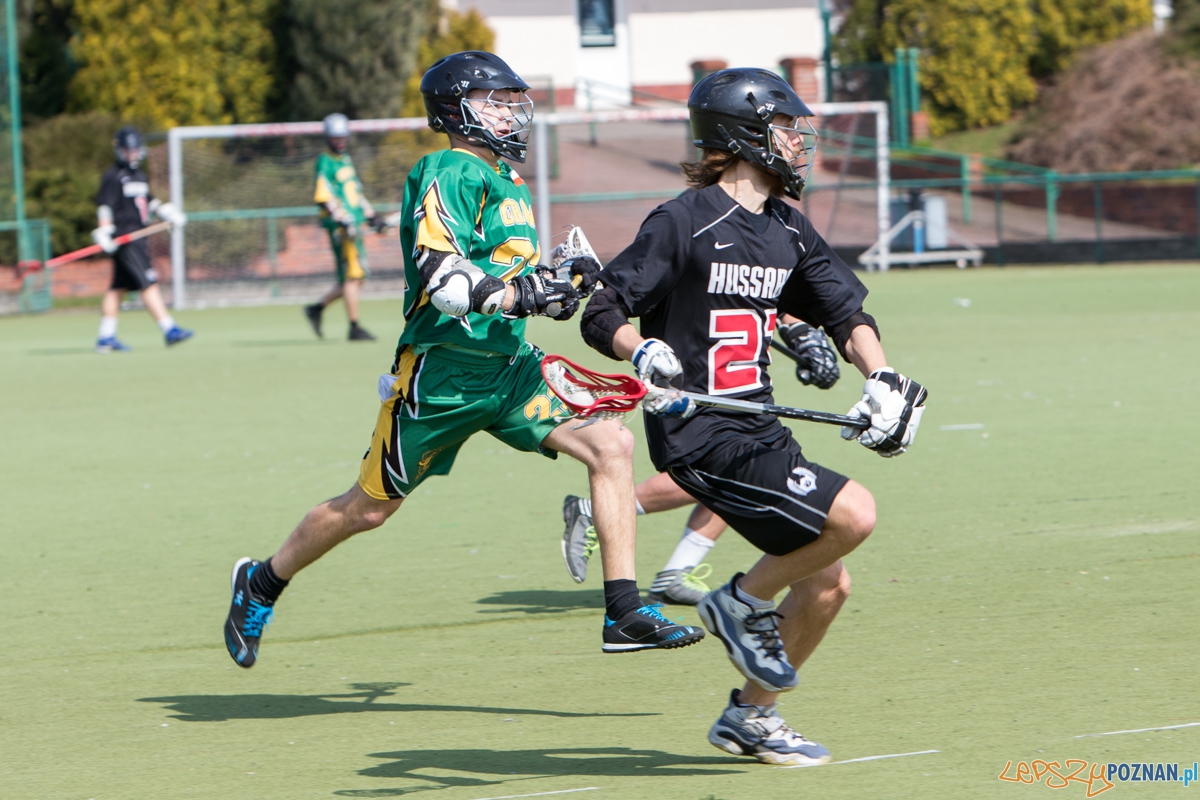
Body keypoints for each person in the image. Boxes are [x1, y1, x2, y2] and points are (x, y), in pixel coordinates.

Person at [224, 51, 703, 670]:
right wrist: (524, 293)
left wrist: (559, 282)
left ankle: (623, 612)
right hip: (443, 374)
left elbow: (506, 277)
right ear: (457, 110)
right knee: (369, 508)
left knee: (611, 444)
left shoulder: (507, 180)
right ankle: (262, 581)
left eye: (513, 103)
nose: (511, 114)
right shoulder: (447, 168)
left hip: (509, 368)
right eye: (495, 103)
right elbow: (444, 278)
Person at [578, 67, 927, 765]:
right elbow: (602, 310)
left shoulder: (788, 229)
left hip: (759, 427)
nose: (799, 142)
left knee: (827, 585)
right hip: (699, 432)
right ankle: (738, 600)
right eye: (786, 129)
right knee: (855, 514)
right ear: (743, 135)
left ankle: (750, 717)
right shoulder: (684, 219)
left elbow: (846, 312)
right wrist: (640, 348)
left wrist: (882, 377)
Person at [561, 316, 841, 605]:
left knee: (741, 473)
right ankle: (596, 511)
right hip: (696, 368)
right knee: (727, 468)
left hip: (740, 372)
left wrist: (798, 331)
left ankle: (676, 571)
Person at [92, 126, 192, 352]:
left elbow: (149, 201)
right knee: (148, 283)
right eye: (128, 150)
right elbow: (105, 206)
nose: (132, 154)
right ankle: (169, 329)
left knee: (117, 288)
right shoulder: (113, 175)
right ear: (119, 150)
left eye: (135, 150)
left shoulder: (140, 175)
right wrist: (104, 230)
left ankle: (105, 337)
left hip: (139, 237)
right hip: (125, 240)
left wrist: (166, 211)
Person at [303, 113, 387, 342]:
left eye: (343, 137)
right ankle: (354, 327)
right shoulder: (325, 161)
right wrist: (341, 218)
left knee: (358, 277)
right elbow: (324, 196)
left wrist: (371, 216)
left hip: (355, 224)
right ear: (328, 138)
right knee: (352, 275)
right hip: (342, 228)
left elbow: (355, 194)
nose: (340, 141)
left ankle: (317, 308)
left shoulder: (346, 160)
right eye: (336, 138)